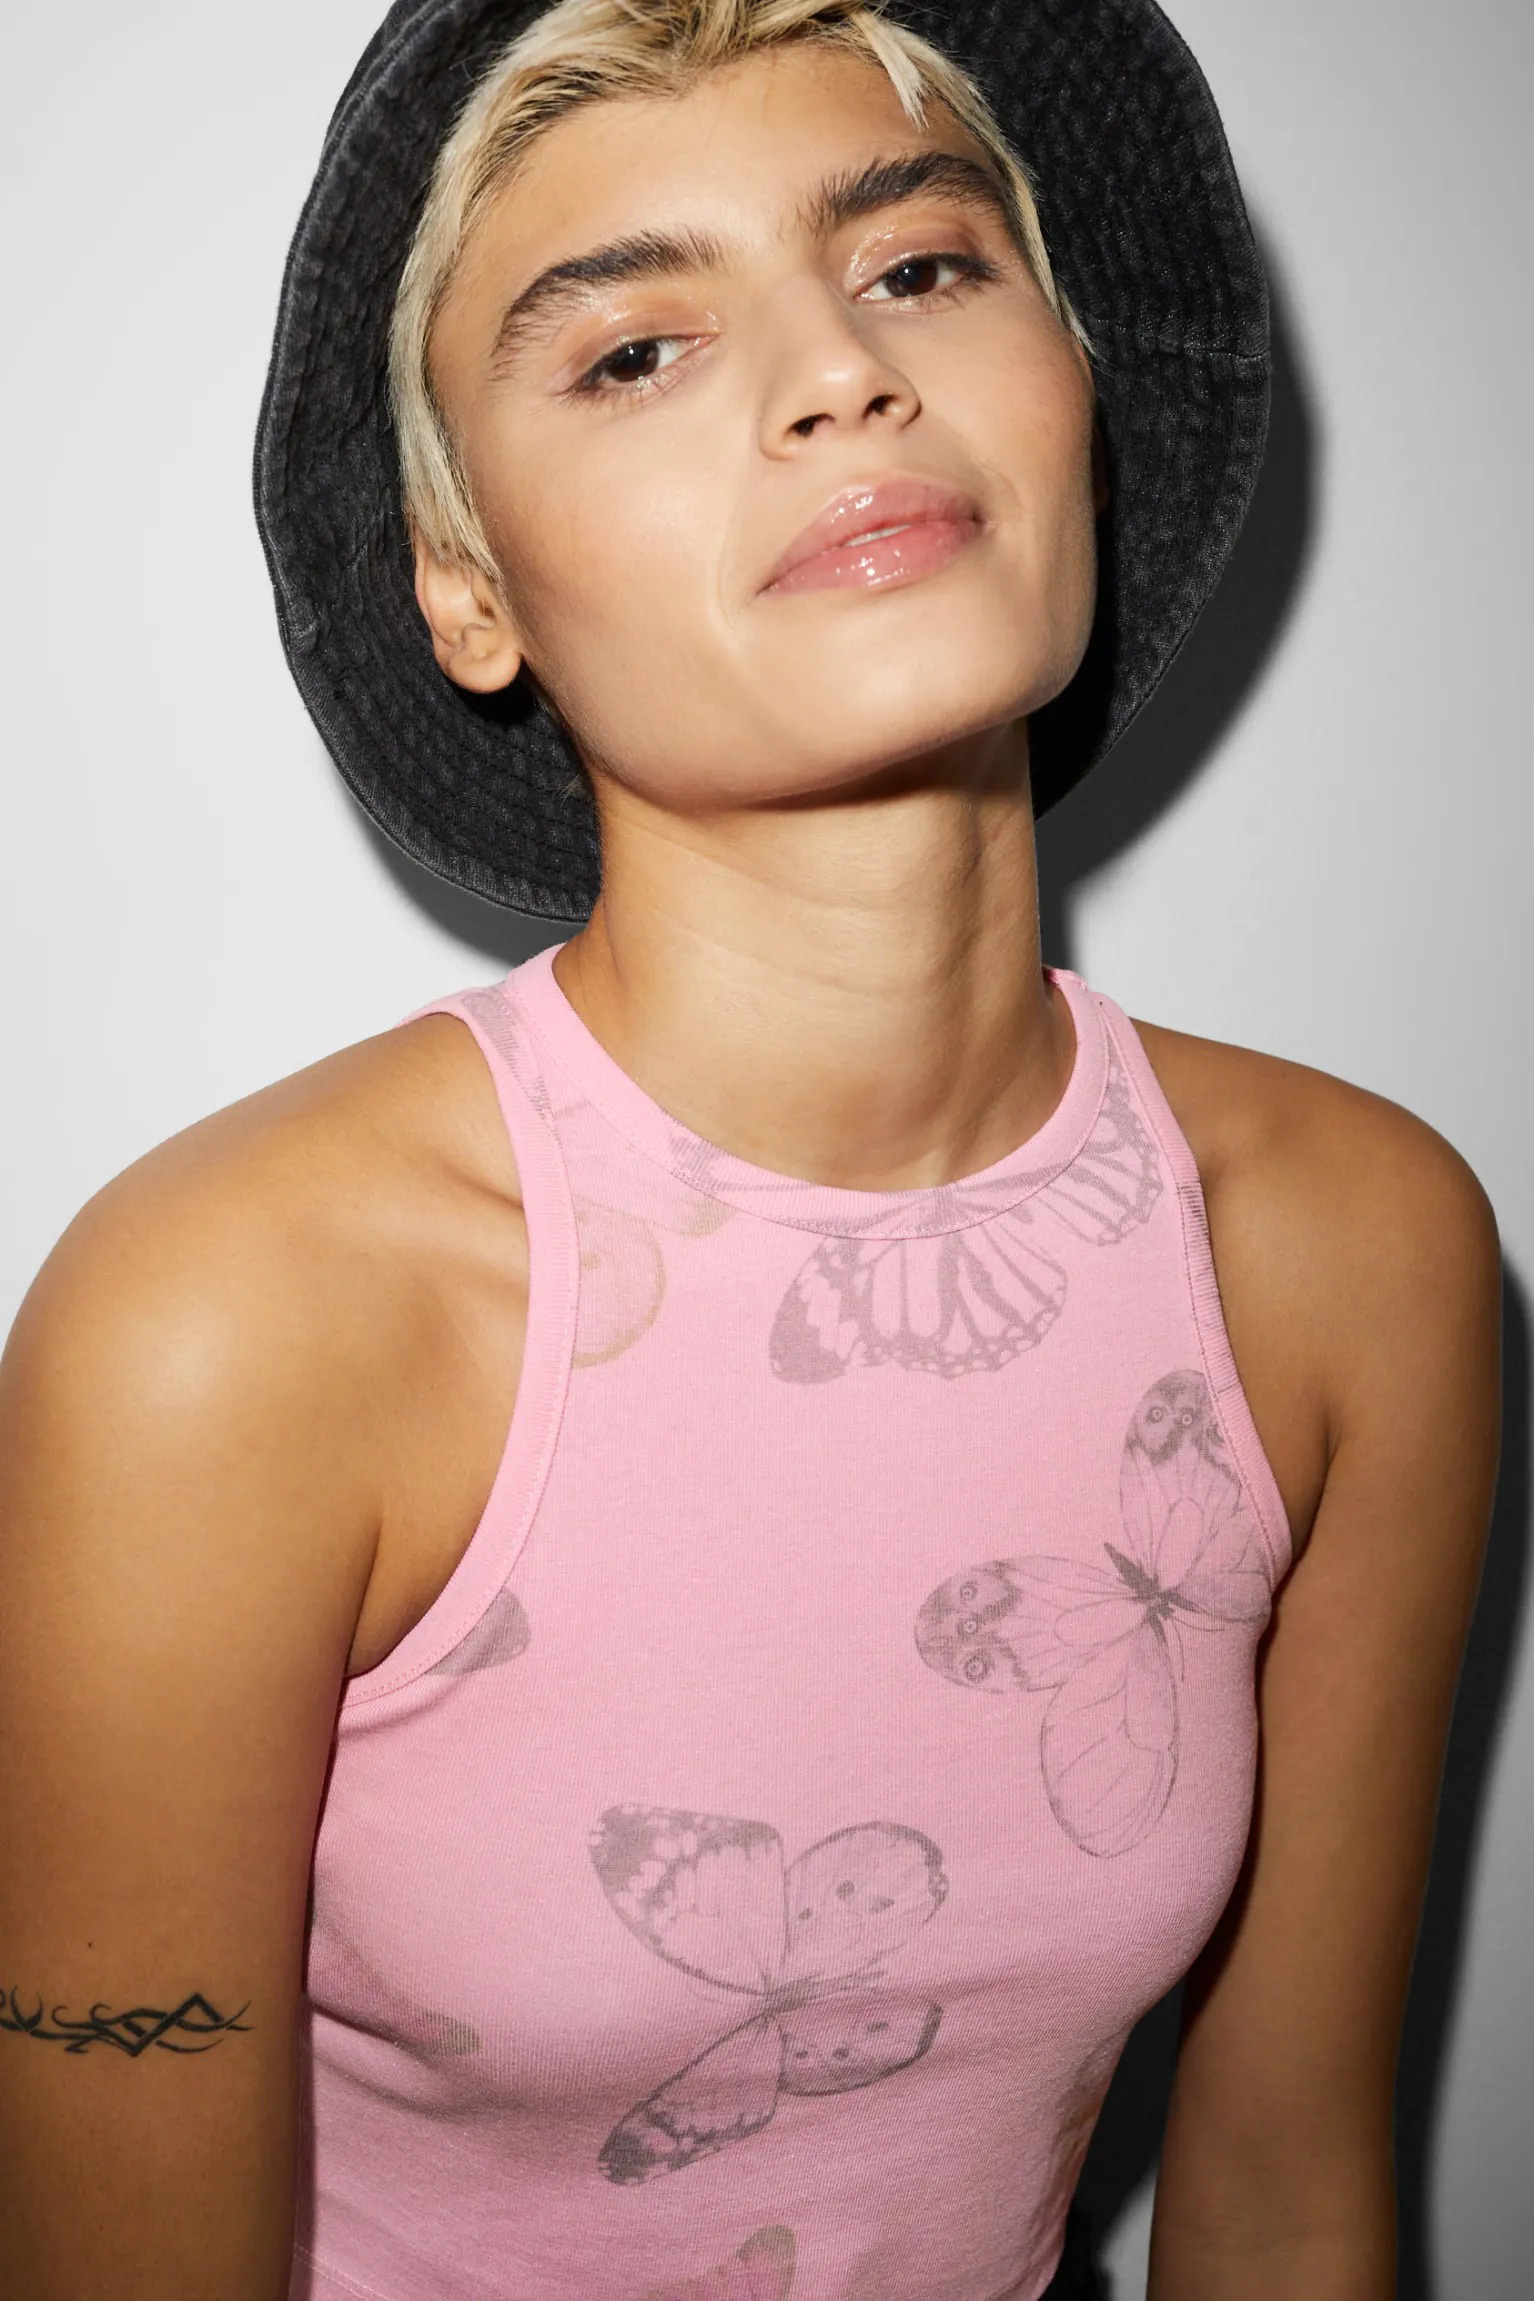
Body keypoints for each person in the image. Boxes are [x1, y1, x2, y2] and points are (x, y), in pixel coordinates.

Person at [0, 0, 1501, 2295]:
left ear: (1073, 392)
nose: (839, 376)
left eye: (919, 267)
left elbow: (1286, 2196)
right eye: (632, 351)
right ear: (465, 586)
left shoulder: (1346, 1245)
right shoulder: (225, 1329)